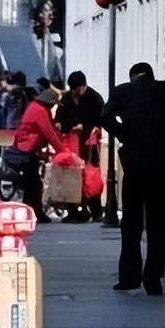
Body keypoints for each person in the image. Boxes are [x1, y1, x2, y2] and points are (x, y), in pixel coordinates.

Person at [101, 62, 165, 295]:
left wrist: (126, 135)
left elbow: (105, 118)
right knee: (156, 224)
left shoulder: (122, 92)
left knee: (131, 223)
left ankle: (129, 277)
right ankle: (153, 279)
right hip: (163, 163)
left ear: (132, 76)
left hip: (135, 164)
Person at [55, 71, 105, 222]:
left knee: (90, 176)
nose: (75, 93)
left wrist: (87, 126)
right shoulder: (66, 98)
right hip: (71, 143)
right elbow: (60, 116)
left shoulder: (94, 98)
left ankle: (95, 210)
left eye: (77, 89)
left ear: (83, 87)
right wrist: (60, 124)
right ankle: (74, 210)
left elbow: (100, 118)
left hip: (89, 143)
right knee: (71, 175)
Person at [10, 88, 65, 223]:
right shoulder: (40, 110)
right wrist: (62, 150)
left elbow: (51, 130)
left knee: (32, 184)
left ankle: (32, 212)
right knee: (33, 184)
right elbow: (49, 133)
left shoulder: (37, 107)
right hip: (27, 150)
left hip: (28, 149)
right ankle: (36, 213)